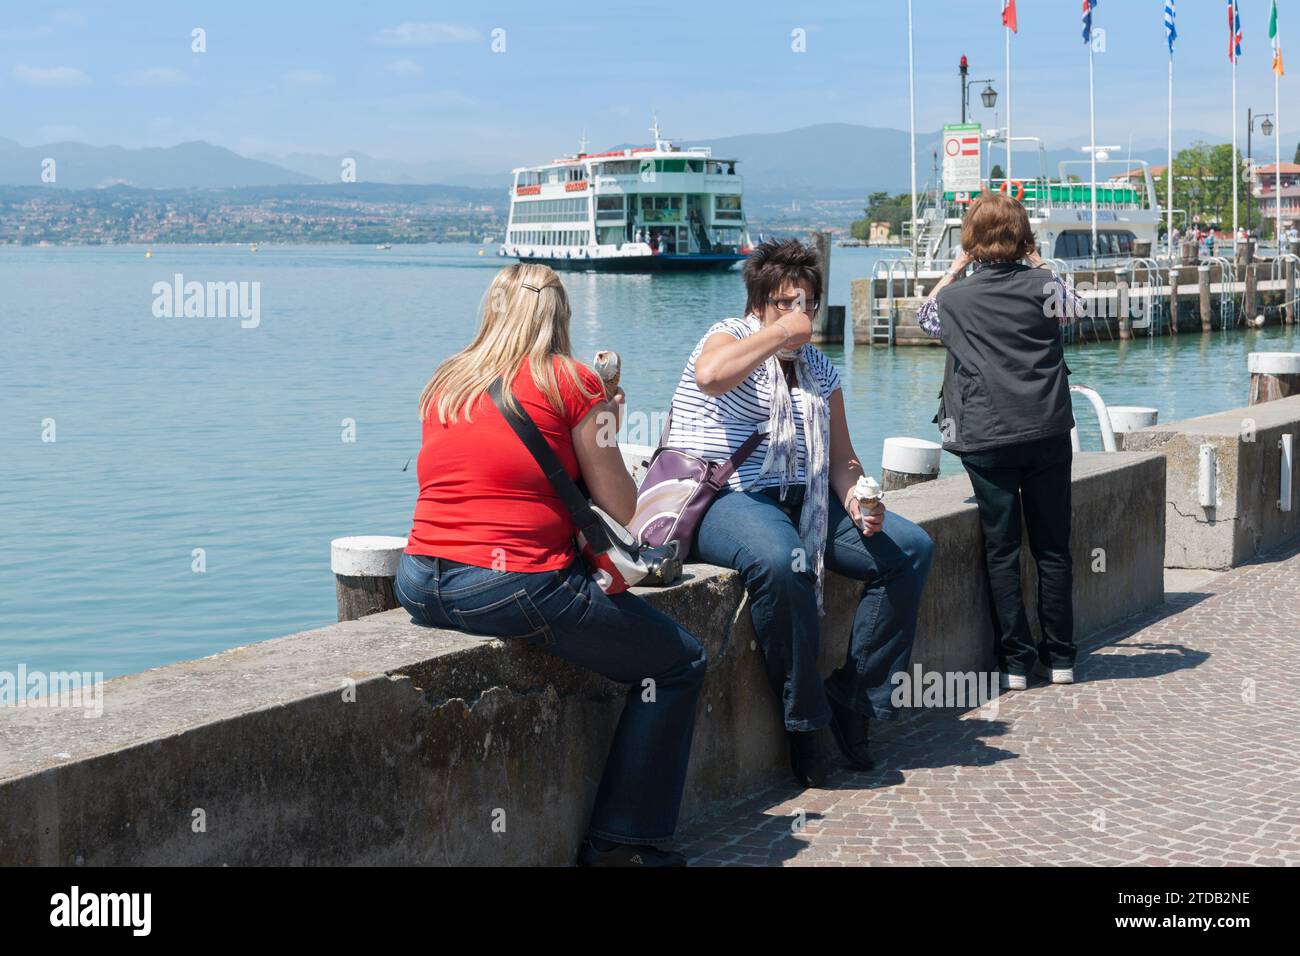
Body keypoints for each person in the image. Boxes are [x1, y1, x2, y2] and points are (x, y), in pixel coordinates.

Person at [398, 262, 707, 867]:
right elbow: (623, 506)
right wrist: (608, 424)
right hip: (510, 586)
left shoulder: (447, 381)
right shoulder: (573, 382)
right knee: (679, 662)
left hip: (418, 580)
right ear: (559, 316)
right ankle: (622, 842)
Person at [666, 238, 934, 788]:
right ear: (758, 305)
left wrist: (860, 498)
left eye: (805, 303)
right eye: (784, 303)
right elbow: (711, 376)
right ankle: (804, 722)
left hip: (807, 498)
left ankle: (855, 698)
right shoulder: (729, 336)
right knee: (783, 562)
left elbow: (843, 459)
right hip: (730, 496)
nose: (798, 315)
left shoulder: (819, 370)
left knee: (910, 550)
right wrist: (776, 336)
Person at [917, 192, 1084, 691]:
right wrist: (1037, 259)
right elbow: (1074, 311)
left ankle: (1014, 663)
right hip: (1047, 430)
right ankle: (1061, 659)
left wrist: (953, 268)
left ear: (969, 241)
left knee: (1002, 549)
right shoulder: (1045, 287)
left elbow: (926, 316)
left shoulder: (954, 299)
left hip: (986, 436)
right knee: (1053, 548)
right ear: (1024, 237)